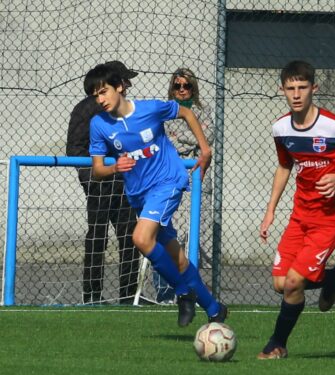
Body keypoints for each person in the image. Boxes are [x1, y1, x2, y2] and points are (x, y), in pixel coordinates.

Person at [84, 63, 227, 326]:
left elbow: (186, 113)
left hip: (168, 181)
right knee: (177, 257)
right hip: (139, 194)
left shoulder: (150, 109)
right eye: (95, 95)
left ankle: (183, 293)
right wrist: (115, 167)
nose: (100, 99)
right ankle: (214, 307)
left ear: (119, 87)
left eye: (104, 91)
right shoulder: (99, 125)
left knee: (140, 237)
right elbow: (97, 170)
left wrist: (204, 150)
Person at [258, 60, 335, 359]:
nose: (296, 94)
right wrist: (270, 211)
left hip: (332, 217)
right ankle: (331, 278)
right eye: (290, 88)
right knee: (281, 284)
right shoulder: (281, 128)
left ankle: (277, 345)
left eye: (302, 87)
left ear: (313, 89)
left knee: (294, 282)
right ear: (282, 90)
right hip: (300, 214)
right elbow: (284, 165)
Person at [66, 61, 140, 305]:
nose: (128, 85)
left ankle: (128, 295)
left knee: (129, 236)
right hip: (98, 182)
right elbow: (74, 148)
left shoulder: (124, 110)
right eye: (125, 80)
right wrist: (91, 176)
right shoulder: (86, 109)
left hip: (123, 182)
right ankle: (92, 296)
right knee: (97, 238)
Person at [152, 68, 215, 304]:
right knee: (169, 233)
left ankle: (197, 288)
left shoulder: (203, 111)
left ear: (193, 88)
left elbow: (208, 137)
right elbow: (165, 137)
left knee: (198, 235)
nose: (181, 90)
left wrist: (182, 136)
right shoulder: (165, 110)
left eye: (186, 86)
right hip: (170, 174)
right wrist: (194, 136)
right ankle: (167, 289)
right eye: (177, 86)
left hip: (197, 175)